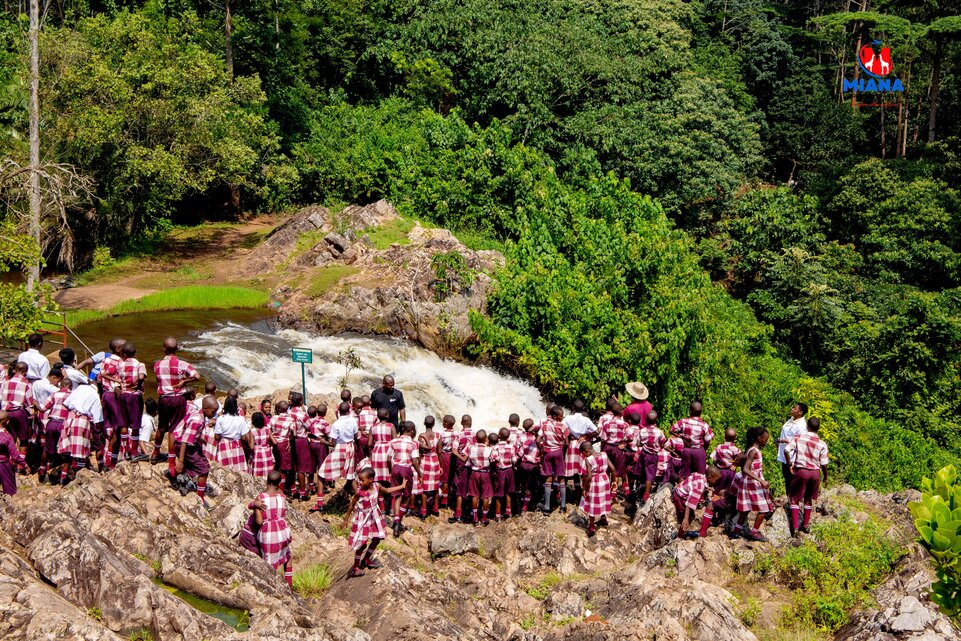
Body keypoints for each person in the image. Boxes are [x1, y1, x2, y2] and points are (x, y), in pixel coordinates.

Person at [344, 467, 406, 578]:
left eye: (362, 480)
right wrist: (345, 519)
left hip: (374, 516)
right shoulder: (360, 492)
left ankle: (367, 559)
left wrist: (401, 486)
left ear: (371, 479)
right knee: (362, 544)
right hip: (363, 518)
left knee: (376, 539)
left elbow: (387, 490)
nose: (360, 482)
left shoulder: (377, 486)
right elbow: (352, 504)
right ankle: (356, 567)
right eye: (359, 480)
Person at [153, 337, 200, 474]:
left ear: (164, 349)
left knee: (161, 427)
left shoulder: (157, 365)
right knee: (174, 429)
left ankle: (155, 452)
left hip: (163, 398)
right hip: (177, 398)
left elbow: (158, 380)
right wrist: (184, 381)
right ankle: (171, 462)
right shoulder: (183, 364)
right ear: (177, 348)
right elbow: (197, 376)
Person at [785, 417, 828, 536]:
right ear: (818, 428)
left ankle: (794, 527)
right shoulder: (822, 444)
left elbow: (787, 450)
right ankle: (805, 525)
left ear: (807, 427)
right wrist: (825, 477)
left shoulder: (798, 438)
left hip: (801, 471)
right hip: (815, 473)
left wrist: (790, 464)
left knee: (794, 498)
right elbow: (824, 464)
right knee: (808, 498)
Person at [173, 393, 216, 507]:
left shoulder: (196, 413)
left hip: (189, 444)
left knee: (204, 464)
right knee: (204, 470)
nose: (214, 414)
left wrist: (200, 441)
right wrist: (180, 461)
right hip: (184, 447)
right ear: (205, 408)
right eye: (213, 412)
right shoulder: (197, 421)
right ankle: (200, 496)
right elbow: (185, 441)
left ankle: (182, 479)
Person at [57, 382, 104, 482]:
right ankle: (79, 478)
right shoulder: (95, 395)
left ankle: (63, 479)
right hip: (81, 420)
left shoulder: (80, 388)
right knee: (81, 452)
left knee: (68, 451)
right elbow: (97, 419)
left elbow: (66, 403)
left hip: (69, 419)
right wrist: (101, 432)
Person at [734, 427, 774, 542]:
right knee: (764, 508)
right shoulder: (753, 451)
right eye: (765, 439)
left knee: (746, 509)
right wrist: (760, 480)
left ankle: (736, 531)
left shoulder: (753, 450)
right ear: (759, 438)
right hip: (753, 482)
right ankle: (754, 532)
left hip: (753, 481)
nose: (766, 442)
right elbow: (746, 469)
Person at [254, 470, 293, 586]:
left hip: (269, 534)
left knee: (269, 563)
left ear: (267, 481)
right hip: (283, 532)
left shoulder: (260, 498)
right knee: (288, 557)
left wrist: (255, 507)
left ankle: (272, 586)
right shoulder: (282, 496)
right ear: (279, 483)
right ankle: (289, 585)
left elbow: (259, 521)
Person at [387, 421, 421, 536]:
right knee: (406, 497)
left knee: (397, 496)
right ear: (411, 431)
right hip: (406, 469)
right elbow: (415, 461)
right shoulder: (413, 443)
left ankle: (396, 522)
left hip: (396, 468)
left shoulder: (394, 441)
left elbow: (388, 458)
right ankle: (398, 521)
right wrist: (420, 474)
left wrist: (391, 470)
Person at [673, 466, 724, 540]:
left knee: (689, 515)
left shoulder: (700, 476)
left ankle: (681, 531)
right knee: (686, 517)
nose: (718, 483)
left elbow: (693, 480)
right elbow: (689, 503)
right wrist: (686, 518)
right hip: (681, 497)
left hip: (679, 490)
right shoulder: (699, 487)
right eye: (717, 480)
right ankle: (680, 536)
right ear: (709, 477)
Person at [537, 405, 569, 513]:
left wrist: (542, 451)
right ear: (555, 416)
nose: (562, 417)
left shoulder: (544, 424)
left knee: (548, 478)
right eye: (561, 416)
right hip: (558, 452)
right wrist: (562, 451)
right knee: (561, 477)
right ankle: (563, 506)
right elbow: (567, 443)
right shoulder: (563, 426)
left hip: (547, 452)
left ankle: (546, 507)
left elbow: (538, 440)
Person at [670, 401, 714, 479]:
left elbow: (672, 430)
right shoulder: (704, 425)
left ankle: (682, 488)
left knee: (684, 474)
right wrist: (703, 449)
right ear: (701, 413)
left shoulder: (683, 421)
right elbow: (708, 440)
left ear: (690, 411)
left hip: (687, 450)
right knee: (700, 475)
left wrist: (681, 437)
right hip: (699, 451)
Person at [318, 402, 359, 486]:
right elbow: (355, 436)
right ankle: (354, 493)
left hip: (339, 447)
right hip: (350, 447)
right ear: (349, 411)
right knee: (350, 474)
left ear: (339, 411)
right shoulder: (353, 420)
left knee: (321, 473)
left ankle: (320, 498)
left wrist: (323, 441)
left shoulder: (336, 424)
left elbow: (332, 443)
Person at [38, 377, 71, 480]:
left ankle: (42, 471)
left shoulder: (54, 395)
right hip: (65, 425)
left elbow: (43, 408)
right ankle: (63, 477)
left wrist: (35, 403)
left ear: (60, 386)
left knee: (47, 448)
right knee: (67, 451)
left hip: (52, 423)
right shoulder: (72, 396)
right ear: (71, 386)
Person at [563, 399, 597, 500]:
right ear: (583, 409)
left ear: (572, 408)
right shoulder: (586, 420)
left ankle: (562, 495)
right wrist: (586, 435)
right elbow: (597, 431)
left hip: (572, 444)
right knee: (583, 470)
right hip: (583, 445)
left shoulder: (568, 418)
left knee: (571, 470)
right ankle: (583, 494)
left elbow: (562, 428)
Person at [1, 362, 34, 465]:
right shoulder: (27, 384)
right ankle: (21, 465)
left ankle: (10, 461)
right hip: (19, 412)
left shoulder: (5, 383)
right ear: (25, 372)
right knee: (23, 439)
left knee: (10, 437)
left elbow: (1, 398)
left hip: (6, 413)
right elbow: (30, 403)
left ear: (15, 370)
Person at [580, 441, 615, 537]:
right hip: (605, 479)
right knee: (603, 499)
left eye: (583, 454)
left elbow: (589, 476)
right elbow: (612, 469)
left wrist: (584, 488)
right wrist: (614, 482)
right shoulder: (604, 454)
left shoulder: (589, 459)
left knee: (593, 502)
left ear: (586, 451)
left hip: (595, 482)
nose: (583, 456)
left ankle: (591, 526)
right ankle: (603, 518)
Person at [633, 409, 666, 504]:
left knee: (642, 472)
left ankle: (639, 490)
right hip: (653, 455)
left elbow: (638, 443)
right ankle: (646, 495)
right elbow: (663, 442)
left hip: (644, 454)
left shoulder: (642, 431)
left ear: (646, 420)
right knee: (650, 476)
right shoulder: (659, 432)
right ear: (656, 421)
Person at [448, 415, 475, 523]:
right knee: (470, 487)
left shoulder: (459, 435)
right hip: (473, 464)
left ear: (461, 423)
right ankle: (469, 512)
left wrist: (462, 458)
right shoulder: (475, 435)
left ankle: (458, 514)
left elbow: (454, 450)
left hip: (461, 464)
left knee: (460, 489)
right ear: (471, 422)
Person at [214, 397, 252, 474]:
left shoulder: (221, 418)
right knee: (238, 469)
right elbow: (244, 437)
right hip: (237, 444)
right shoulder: (241, 419)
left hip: (223, 444)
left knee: (223, 469)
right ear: (236, 407)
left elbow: (217, 436)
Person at [598, 403, 627, 497]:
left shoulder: (606, 423)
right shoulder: (624, 424)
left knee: (607, 468)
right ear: (621, 412)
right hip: (618, 448)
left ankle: (605, 490)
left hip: (608, 447)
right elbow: (630, 436)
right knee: (617, 470)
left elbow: (603, 437)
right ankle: (614, 491)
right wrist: (624, 443)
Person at [777, 403, 808, 492]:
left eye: (794, 408)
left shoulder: (801, 426)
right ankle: (789, 499)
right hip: (784, 454)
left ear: (800, 412)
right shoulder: (791, 420)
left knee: (792, 479)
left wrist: (785, 441)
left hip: (792, 457)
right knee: (786, 477)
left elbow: (802, 443)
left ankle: (794, 501)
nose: (792, 409)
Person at [466, 429, 494, 526]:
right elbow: (493, 460)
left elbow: (469, 462)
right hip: (486, 473)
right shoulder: (490, 449)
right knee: (486, 496)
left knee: (475, 495)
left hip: (475, 473)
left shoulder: (471, 448)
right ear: (486, 439)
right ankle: (484, 518)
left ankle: (475, 517)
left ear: (476, 439)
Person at [417, 416, 442, 518]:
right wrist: (441, 466)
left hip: (425, 461)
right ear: (434, 424)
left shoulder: (421, 436)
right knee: (436, 487)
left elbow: (419, 451)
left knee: (425, 488)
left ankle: (423, 511)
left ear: (424, 423)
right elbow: (439, 452)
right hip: (435, 461)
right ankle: (435, 509)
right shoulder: (438, 435)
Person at [515, 418, 541, 513]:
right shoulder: (539, 438)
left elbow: (519, 452)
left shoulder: (521, 437)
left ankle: (520, 502)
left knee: (523, 484)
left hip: (523, 464)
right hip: (534, 466)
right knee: (530, 486)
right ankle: (525, 506)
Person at [268, 400, 296, 488]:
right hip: (284, 443)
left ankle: (274, 484)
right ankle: (282, 488)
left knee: (276, 464)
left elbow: (268, 429)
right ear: (287, 409)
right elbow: (294, 433)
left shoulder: (273, 418)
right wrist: (289, 440)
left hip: (274, 443)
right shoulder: (290, 419)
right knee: (284, 468)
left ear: (279, 409)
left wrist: (273, 438)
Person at [492, 427, 516, 520]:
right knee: (509, 491)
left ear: (499, 436)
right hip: (509, 470)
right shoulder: (511, 447)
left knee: (499, 493)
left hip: (500, 471)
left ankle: (497, 515)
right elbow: (514, 459)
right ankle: (508, 511)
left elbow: (493, 459)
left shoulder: (496, 447)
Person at [369, 408, 396, 487]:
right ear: (387, 416)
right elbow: (394, 441)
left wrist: (377, 443)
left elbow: (369, 443)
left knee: (377, 473)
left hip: (376, 452)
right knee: (388, 472)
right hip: (388, 451)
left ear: (377, 416)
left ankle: (379, 494)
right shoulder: (391, 426)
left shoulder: (373, 427)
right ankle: (388, 492)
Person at [0, 411, 26, 495]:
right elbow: (15, 456)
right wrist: (24, 464)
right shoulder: (7, 437)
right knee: (9, 490)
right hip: (4, 465)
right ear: (7, 422)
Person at [438, 414, 456, 509]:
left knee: (444, 479)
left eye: (443, 421)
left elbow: (439, 450)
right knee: (451, 477)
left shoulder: (441, 434)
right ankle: (450, 496)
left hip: (444, 456)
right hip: (453, 456)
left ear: (446, 423)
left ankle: (444, 500)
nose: (442, 422)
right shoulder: (456, 433)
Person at [250, 412, 274, 480]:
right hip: (267, 451)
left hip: (257, 453)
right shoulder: (267, 429)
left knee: (258, 471)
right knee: (267, 470)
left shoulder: (252, 431)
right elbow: (274, 442)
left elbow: (251, 446)